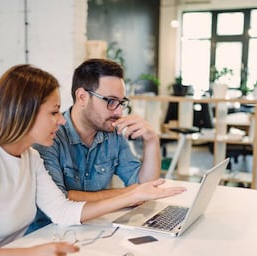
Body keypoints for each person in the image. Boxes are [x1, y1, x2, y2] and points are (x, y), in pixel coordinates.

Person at [0, 64, 185, 256]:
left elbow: (63, 211)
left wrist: (135, 194)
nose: (61, 120)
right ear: (25, 113)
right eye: (53, 112)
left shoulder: (30, 158)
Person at [29, 58, 161, 232]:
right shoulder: (49, 136)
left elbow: (146, 187)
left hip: (95, 228)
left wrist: (152, 141)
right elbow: (62, 200)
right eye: (111, 101)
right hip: (49, 233)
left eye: (121, 102)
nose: (119, 111)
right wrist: (130, 194)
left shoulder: (112, 133)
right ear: (82, 97)